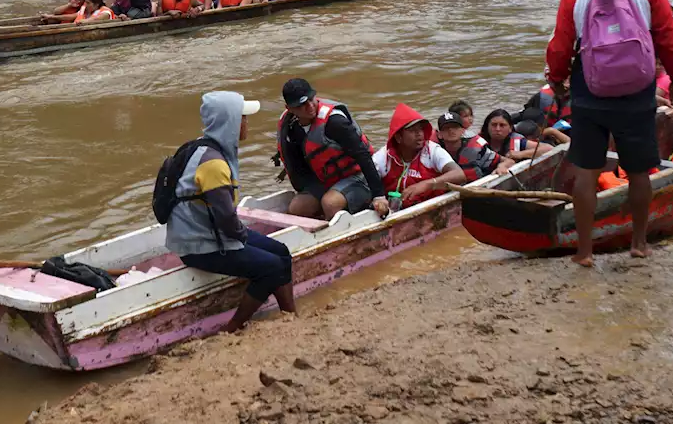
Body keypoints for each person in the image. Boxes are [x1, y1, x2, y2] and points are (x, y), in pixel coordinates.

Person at [544, 0, 673, 265]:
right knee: (638, 172)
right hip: (637, 91)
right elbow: (668, 34)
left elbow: (560, 46)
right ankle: (639, 244)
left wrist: (558, 80)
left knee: (586, 172)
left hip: (590, 93)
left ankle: (585, 252)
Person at [168, 92, 295, 333]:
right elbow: (226, 219)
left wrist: (243, 236)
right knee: (271, 267)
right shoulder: (213, 164)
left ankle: (290, 314)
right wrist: (245, 238)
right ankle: (234, 327)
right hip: (201, 245)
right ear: (231, 122)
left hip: (207, 234)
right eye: (243, 118)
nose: (247, 123)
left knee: (282, 252)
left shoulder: (202, 147)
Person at [276, 79, 389, 220]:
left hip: (359, 176)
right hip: (327, 179)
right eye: (302, 105)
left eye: (311, 99)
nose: (310, 106)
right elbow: (299, 166)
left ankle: (341, 230)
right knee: (297, 208)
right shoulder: (291, 128)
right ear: (290, 108)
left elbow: (363, 155)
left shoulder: (335, 122)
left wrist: (379, 195)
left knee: (330, 203)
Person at [373, 104, 468, 208]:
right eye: (413, 130)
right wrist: (378, 200)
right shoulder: (384, 156)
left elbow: (459, 175)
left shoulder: (432, 151)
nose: (419, 134)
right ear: (398, 137)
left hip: (433, 209)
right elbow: (365, 181)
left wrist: (428, 184)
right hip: (395, 211)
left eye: (421, 129)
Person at [436, 111, 513, 181]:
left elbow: (508, 161)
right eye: (446, 128)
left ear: (463, 131)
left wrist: (501, 166)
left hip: (479, 187)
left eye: (455, 127)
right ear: (439, 134)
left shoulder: (475, 150)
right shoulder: (435, 152)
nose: (451, 130)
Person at [479, 109, 547, 161]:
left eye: (502, 125)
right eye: (494, 125)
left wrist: (521, 154)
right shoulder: (478, 142)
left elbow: (548, 148)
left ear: (510, 128)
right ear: (487, 127)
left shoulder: (517, 142)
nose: (497, 129)